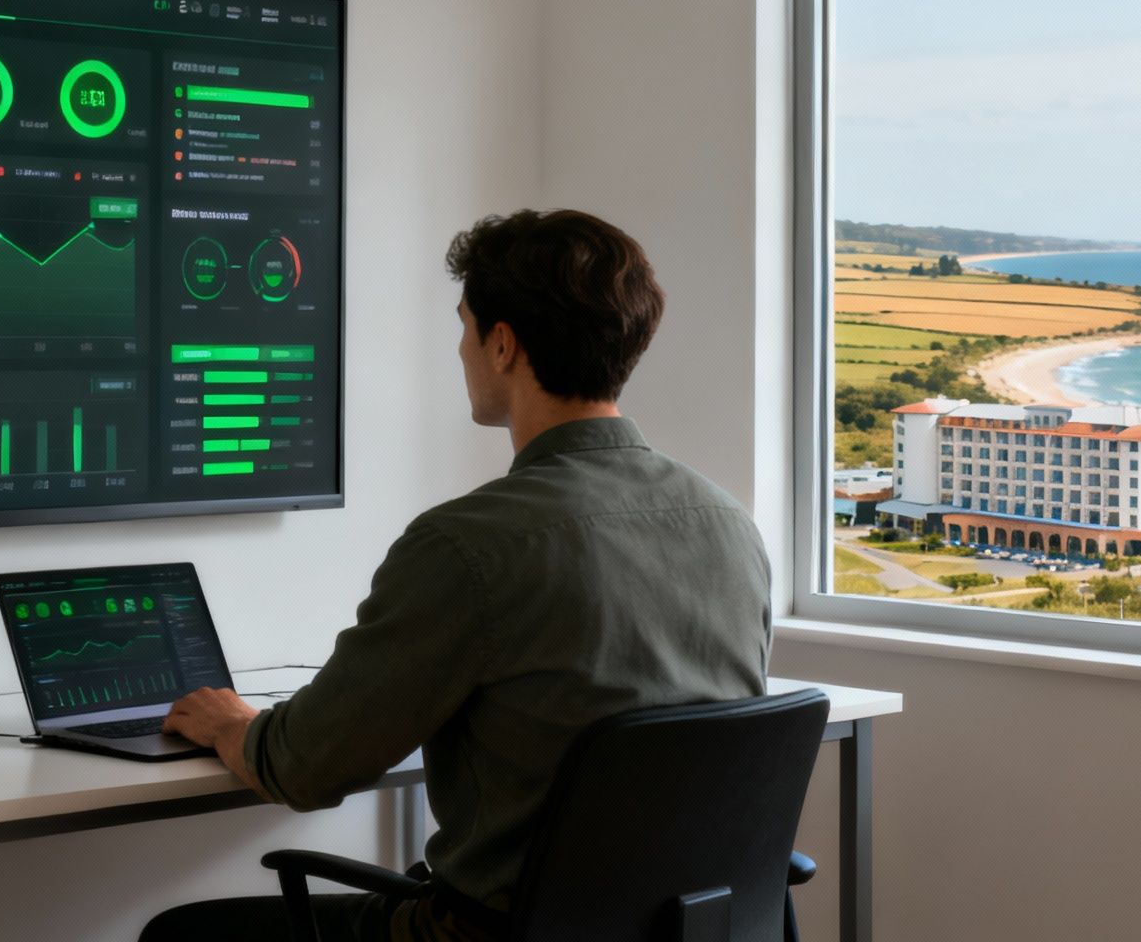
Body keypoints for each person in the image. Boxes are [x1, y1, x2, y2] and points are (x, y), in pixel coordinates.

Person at [142, 210, 772, 942]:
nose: (462, 348)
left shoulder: (468, 545)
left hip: (488, 933)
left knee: (183, 935)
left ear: (502, 344)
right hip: (674, 926)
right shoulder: (729, 523)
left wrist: (236, 725)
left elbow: (306, 769)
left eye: (465, 325)